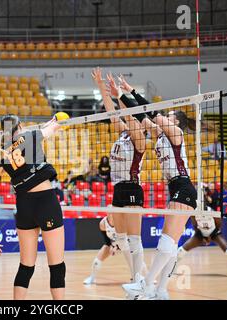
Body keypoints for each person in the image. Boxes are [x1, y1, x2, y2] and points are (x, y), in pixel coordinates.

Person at [119, 75, 198, 300]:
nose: (165, 117)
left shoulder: (176, 133)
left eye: (169, 116)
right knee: (170, 245)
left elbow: (152, 112)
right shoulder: (160, 136)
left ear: (176, 122)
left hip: (183, 186)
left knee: (166, 242)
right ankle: (161, 291)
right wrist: (122, 95)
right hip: (176, 187)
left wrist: (133, 91)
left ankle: (146, 285)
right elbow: (141, 115)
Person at [0, 114, 65, 300]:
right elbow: (54, 128)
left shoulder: (4, 150)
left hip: (24, 204)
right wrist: (56, 120)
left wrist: (1, 149)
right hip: (45, 201)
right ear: (21, 126)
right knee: (56, 265)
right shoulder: (31, 135)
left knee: (26, 265)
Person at [92, 68, 146, 286]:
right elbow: (112, 113)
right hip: (118, 189)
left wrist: (120, 95)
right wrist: (102, 88)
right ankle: (135, 276)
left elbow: (128, 115)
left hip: (133, 189)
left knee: (134, 239)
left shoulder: (140, 139)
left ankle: (139, 279)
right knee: (121, 239)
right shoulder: (122, 134)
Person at [177, 214, 227, 279]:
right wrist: (203, 237)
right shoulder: (194, 214)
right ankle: (171, 269)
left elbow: (219, 226)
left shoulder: (213, 212)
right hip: (200, 234)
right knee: (181, 250)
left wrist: (209, 237)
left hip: (214, 233)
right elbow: (195, 226)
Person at [83, 215, 118, 285]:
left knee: (134, 259)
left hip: (125, 243)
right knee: (97, 261)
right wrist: (111, 245)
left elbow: (125, 236)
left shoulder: (120, 221)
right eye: (109, 213)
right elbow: (107, 240)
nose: (111, 214)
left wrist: (116, 247)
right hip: (113, 243)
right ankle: (92, 278)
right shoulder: (103, 223)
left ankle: (137, 279)